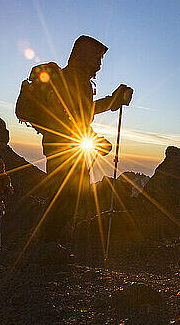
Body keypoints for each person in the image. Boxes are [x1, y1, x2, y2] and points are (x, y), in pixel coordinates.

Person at [21, 35, 133, 243]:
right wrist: (95, 140)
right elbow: (69, 119)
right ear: (85, 56)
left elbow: (82, 113)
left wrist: (111, 101)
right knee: (67, 196)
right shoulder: (74, 80)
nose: (100, 62)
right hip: (63, 147)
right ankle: (46, 244)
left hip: (63, 146)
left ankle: (50, 244)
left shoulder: (77, 79)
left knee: (67, 195)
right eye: (97, 57)